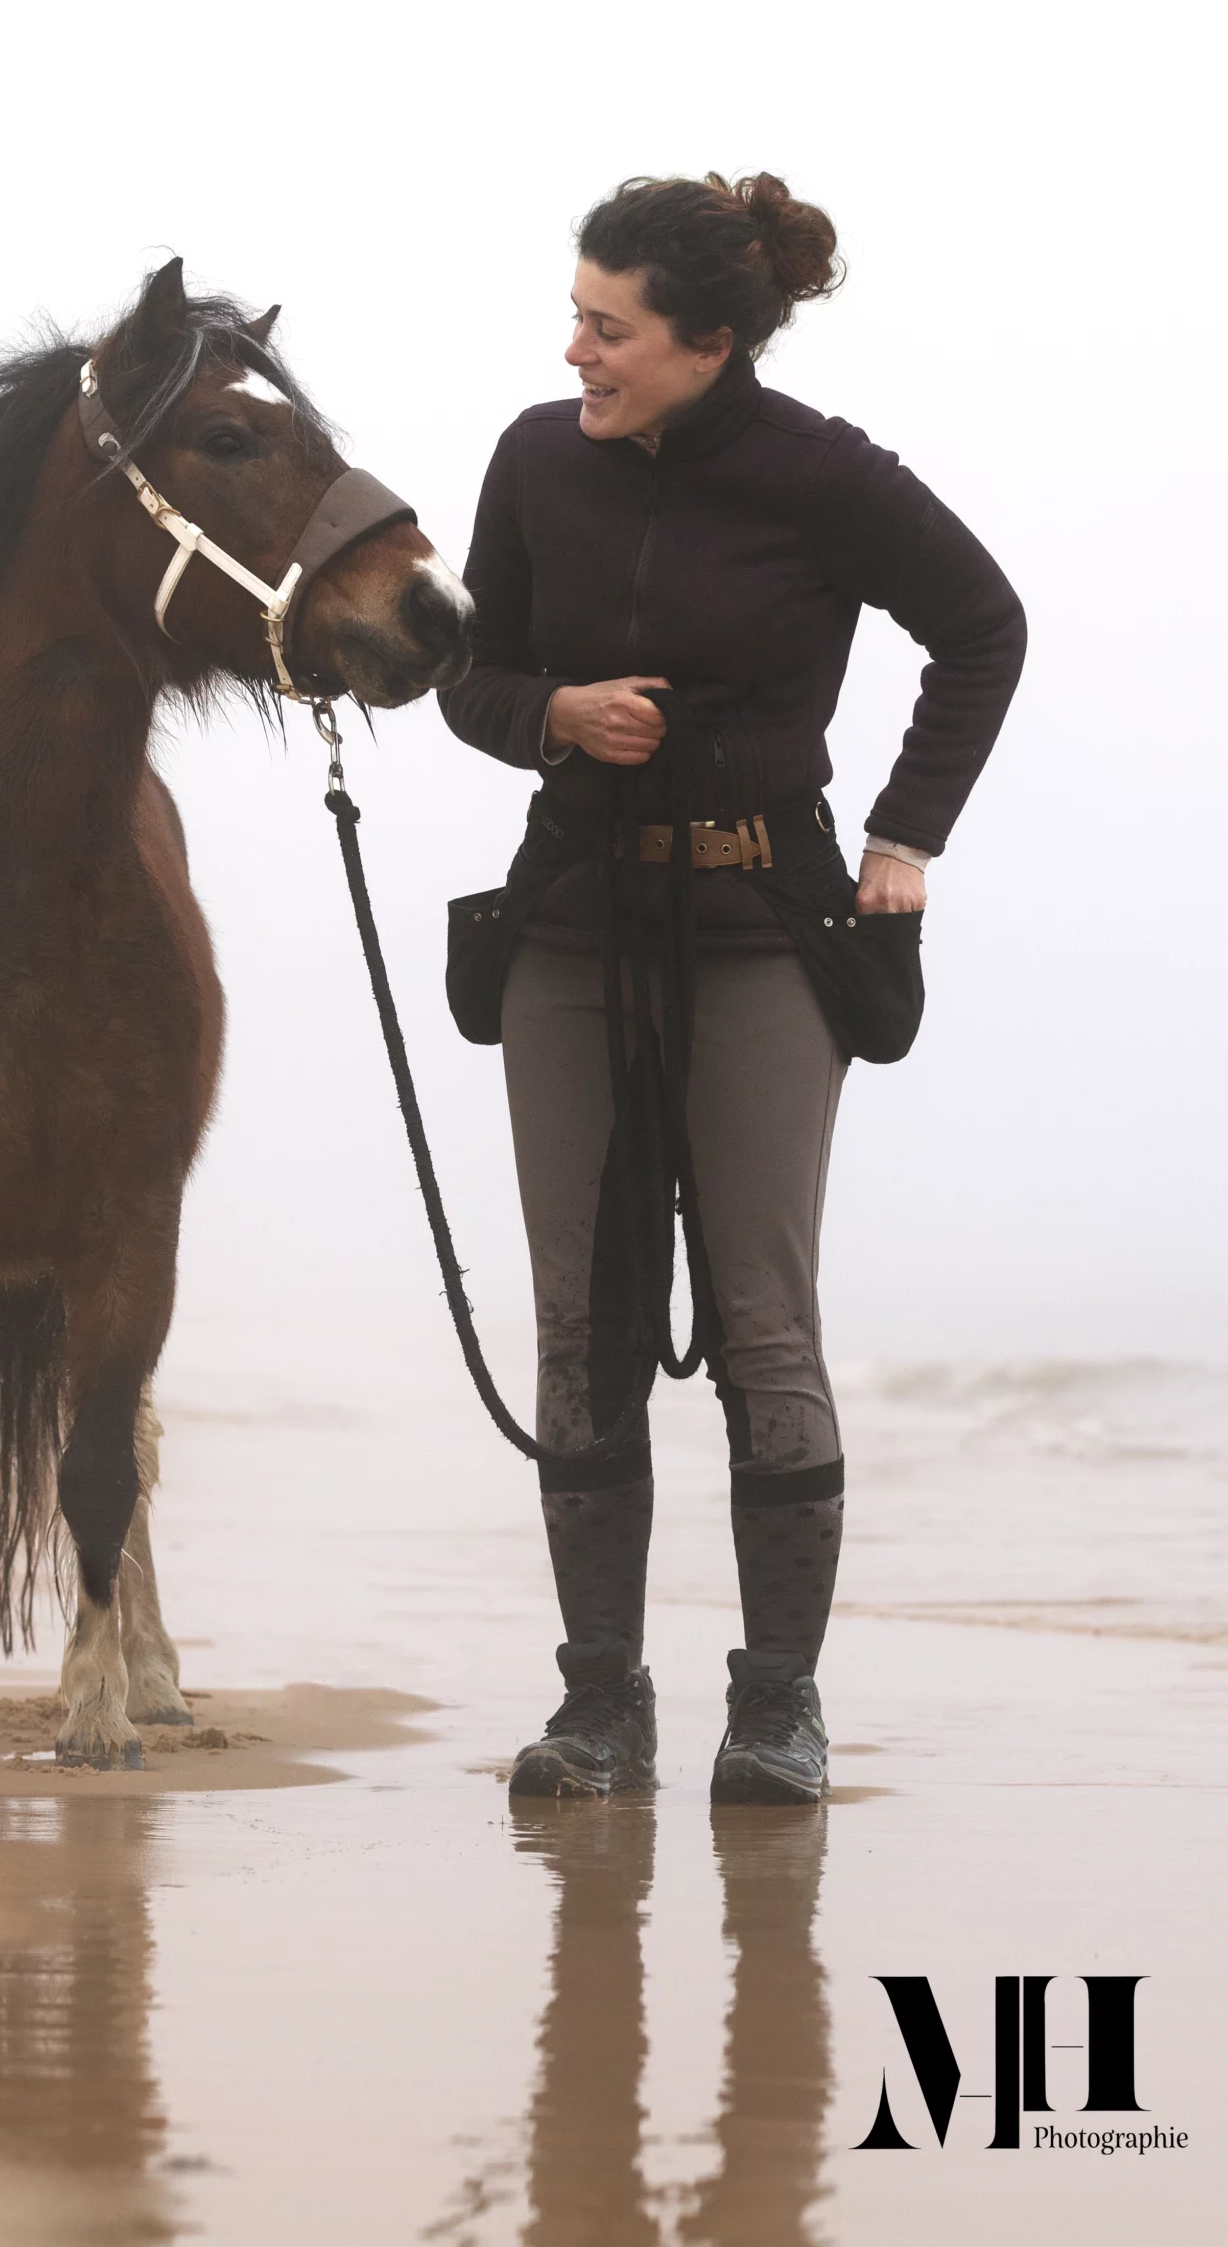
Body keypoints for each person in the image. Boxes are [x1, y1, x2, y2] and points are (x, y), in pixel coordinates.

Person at [439, 172, 1025, 1803]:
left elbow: (982, 628)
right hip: (569, 930)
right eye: (574, 318)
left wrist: (903, 839)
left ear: (706, 345)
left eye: (607, 328)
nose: (575, 352)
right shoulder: (534, 459)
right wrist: (551, 713)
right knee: (581, 1324)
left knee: (764, 1324)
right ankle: (597, 1707)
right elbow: (466, 670)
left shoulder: (822, 475)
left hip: (764, 928)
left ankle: (776, 1711)